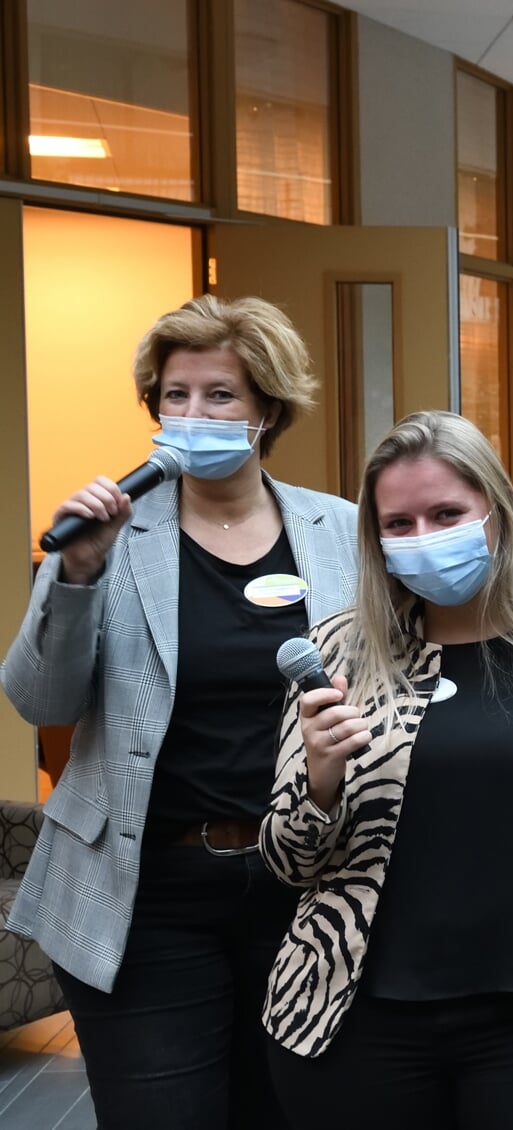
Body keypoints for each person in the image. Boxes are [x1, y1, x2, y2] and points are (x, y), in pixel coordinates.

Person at [0, 296, 356, 1130]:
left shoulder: (338, 530)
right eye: (175, 395)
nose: (192, 414)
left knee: (291, 1112)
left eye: (220, 395)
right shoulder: (110, 536)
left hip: (305, 883)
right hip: (145, 890)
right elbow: (38, 701)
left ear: (268, 411)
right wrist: (77, 575)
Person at [260, 412, 513, 1130]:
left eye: (447, 514)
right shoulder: (337, 652)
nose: (424, 539)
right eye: (400, 523)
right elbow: (290, 864)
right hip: (353, 1027)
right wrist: (319, 781)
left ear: (497, 513)